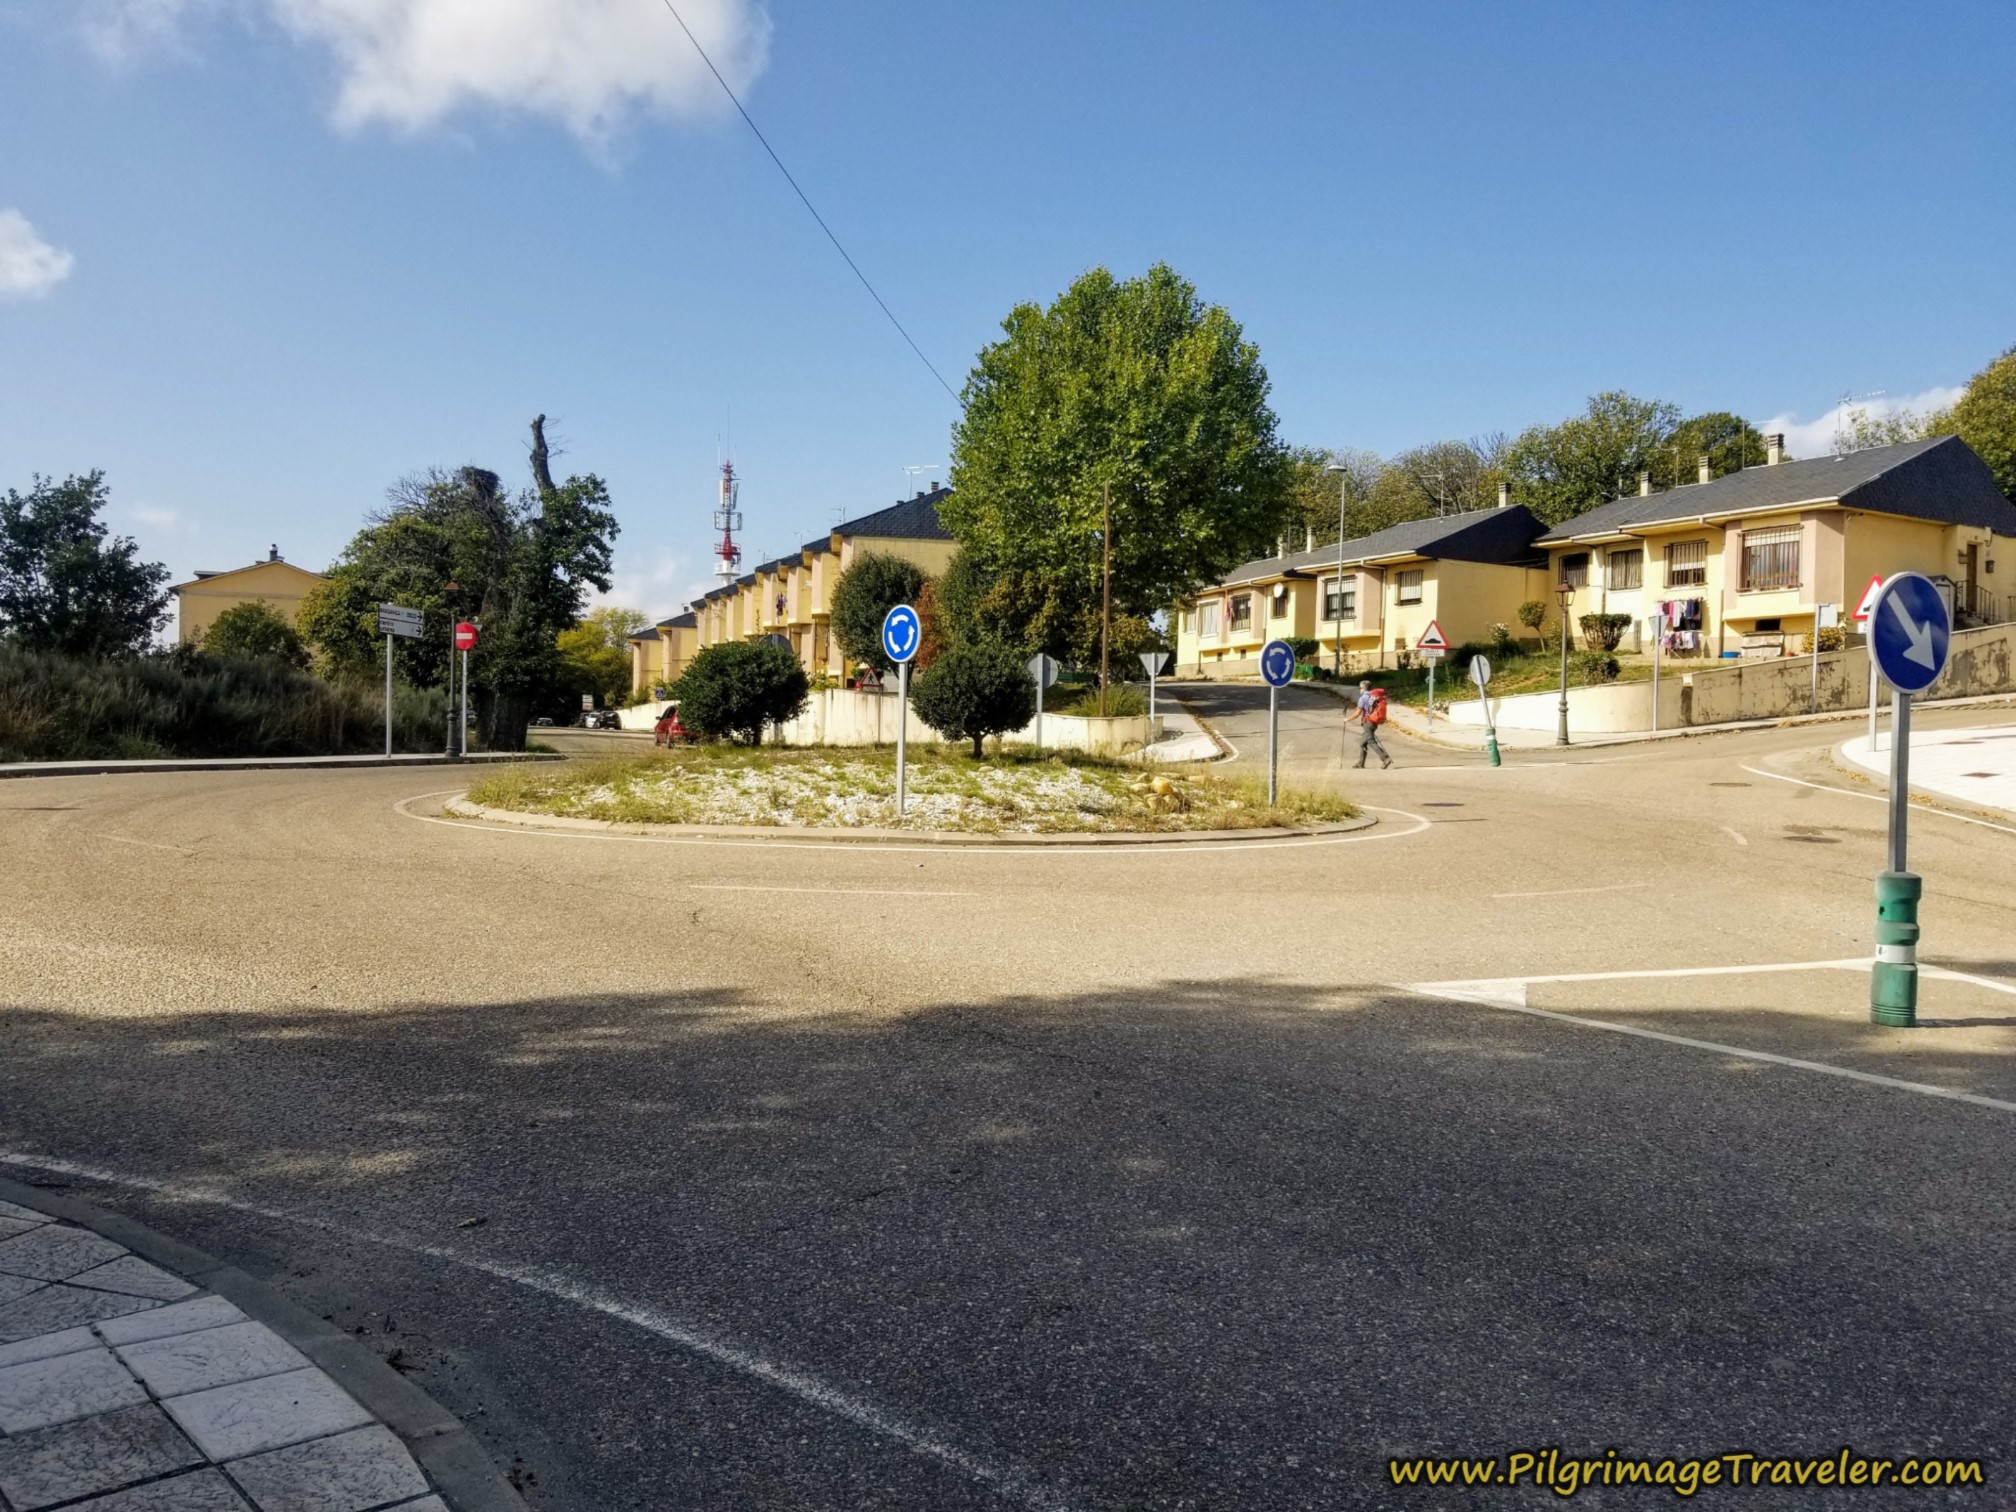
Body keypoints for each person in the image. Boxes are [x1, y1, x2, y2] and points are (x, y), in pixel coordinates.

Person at [1349, 680, 1392, 769]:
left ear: (1364, 688)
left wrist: (1347, 719)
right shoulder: (1373, 696)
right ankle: (1361, 763)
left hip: (1368, 722)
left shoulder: (1363, 698)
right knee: (1363, 743)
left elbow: (1358, 713)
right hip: (1374, 722)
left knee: (1371, 742)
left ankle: (1385, 758)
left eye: (1360, 688)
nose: (1359, 690)